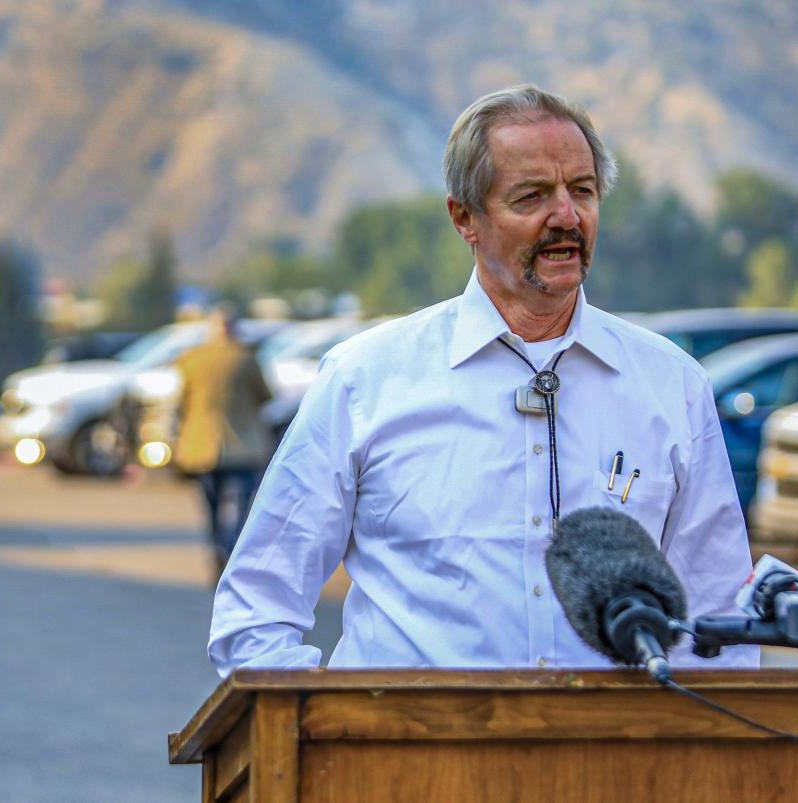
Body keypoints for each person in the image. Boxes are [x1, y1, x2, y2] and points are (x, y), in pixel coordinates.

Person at [209, 85, 759, 674]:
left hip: (610, 758)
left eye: (582, 190)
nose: (567, 216)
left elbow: (719, 618)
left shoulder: (671, 383)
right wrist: (333, 739)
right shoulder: (365, 379)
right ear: (465, 218)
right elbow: (256, 612)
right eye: (532, 196)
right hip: (407, 760)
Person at [174, 305, 273, 575]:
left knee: (212, 502)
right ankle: (231, 547)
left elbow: (182, 401)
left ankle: (217, 543)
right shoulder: (245, 359)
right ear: (234, 328)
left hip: (201, 445)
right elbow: (265, 395)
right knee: (241, 502)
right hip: (243, 444)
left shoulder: (192, 359)